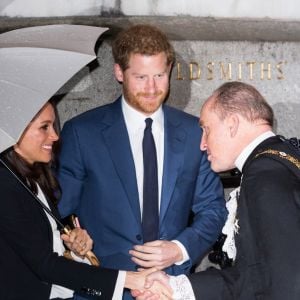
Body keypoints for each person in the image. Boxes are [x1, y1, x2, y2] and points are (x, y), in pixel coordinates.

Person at [57, 24, 227, 299]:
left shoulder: (195, 132)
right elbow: (61, 209)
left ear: (169, 69)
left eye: (159, 75)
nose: (152, 88)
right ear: (119, 73)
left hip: (171, 287)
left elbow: (213, 209)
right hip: (103, 288)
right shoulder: (81, 133)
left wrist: (179, 249)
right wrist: (74, 237)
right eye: (141, 77)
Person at [133, 81, 300, 300]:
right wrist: (179, 287)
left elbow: (288, 283)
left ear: (232, 124)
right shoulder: (281, 159)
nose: (202, 144)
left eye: (206, 129)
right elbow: (258, 275)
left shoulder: (264, 179)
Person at [0, 100, 171, 300]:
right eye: (44, 127)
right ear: (16, 131)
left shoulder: (33, 177)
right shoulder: (4, 185)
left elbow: (42, 248)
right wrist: (129, 279)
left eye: (53, 126)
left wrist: (73, 249)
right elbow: (44, 265)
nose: (54, 136)